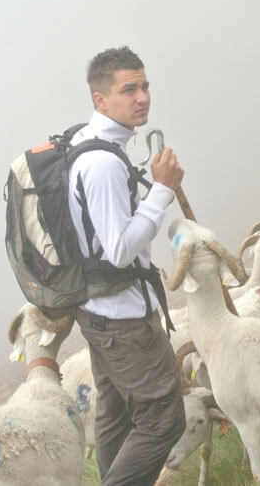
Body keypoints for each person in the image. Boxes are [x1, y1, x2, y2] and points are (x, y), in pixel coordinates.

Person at [67, 46, 187, 486]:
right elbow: (118, 250)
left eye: (145, 86)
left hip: (99, 315)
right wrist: (162, 192)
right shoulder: (101, 164)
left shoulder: (86, 141)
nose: (143, 97)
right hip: (125, 322)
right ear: (101, 100)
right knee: (163, 422)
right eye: (129, 89)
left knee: (116, 417)